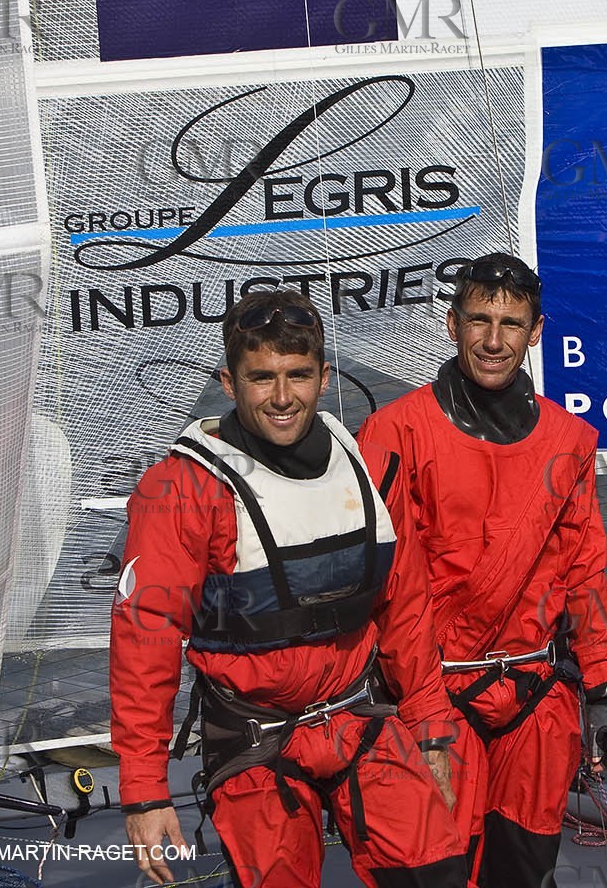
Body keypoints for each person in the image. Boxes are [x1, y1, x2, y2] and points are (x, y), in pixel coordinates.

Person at [110, 290, 468, 888]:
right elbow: (145, 637)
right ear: (229, 381)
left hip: (361, 718)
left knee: (439, 875)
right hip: (256, 740)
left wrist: (430, 721)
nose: (282, 398)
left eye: (298, 376)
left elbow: (405, 607)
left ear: (325, 378)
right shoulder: (181, 489)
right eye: (262, 378)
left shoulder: (374, 467)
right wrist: (145, 789)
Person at [356, 252, 607, 888]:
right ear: (452, 325)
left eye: (511, 324)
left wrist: (604, 690)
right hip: (432, 694)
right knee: (438, 873)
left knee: (523, 867)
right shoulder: (396, 432)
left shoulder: (569, 441)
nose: (493, 339)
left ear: (535, 333)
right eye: (479, 320)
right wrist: (414, 703)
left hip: (535, 693)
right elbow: (380, 584)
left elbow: (584, 572)